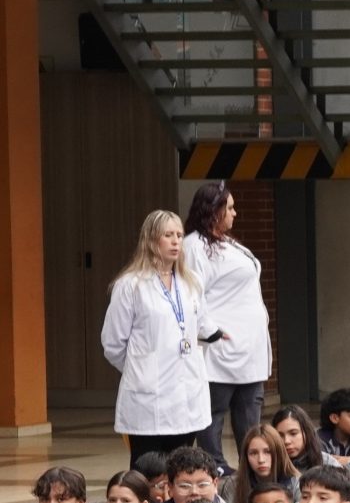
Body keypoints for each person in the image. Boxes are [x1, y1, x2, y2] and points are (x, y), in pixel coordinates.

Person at [101, 209, 212, 462]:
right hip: (148, 399)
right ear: (151, 241)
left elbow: (199, 324)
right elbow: (113, 343)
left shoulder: (191, 281)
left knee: (182, 467)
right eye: (168, 235)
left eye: (180, 235)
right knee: (147, 470)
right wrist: (141, 369)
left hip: (186, 394)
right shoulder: (130, 285)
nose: (176, 241)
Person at [181, 182, 272, 472]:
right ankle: (215, 466)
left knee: (250, 415)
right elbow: (192, 293)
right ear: (214, 210)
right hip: (221, 345)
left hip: (250, 347)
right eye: (229, 207)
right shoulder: (194, 245)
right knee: (214, 410)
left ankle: (250, 467)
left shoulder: (228, 243)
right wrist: (212, 332)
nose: (235, 213)